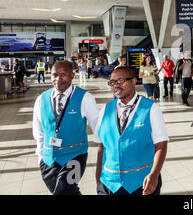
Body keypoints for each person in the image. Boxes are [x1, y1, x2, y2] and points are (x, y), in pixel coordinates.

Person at [95, 67, 168, 195]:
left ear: (134, 81)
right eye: (112, 82)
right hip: (108, 184)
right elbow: (101, 146)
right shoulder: (105, 110)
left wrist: (154, 174)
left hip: (141, 183)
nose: (116, 85)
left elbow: (161, 144)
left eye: (121, 80)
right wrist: (98, 178)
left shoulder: (151, 109)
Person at [32, 60, 99, 195]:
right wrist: (40, 156)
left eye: (63, 75)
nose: (58, 79)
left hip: (74, 156)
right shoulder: (42, 99)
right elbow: (38, 130)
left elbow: (97, 127)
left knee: (63, 192)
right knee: (69, 192)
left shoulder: (85, 98)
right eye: (54, 75)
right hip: (48, 158)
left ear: (72, 75)